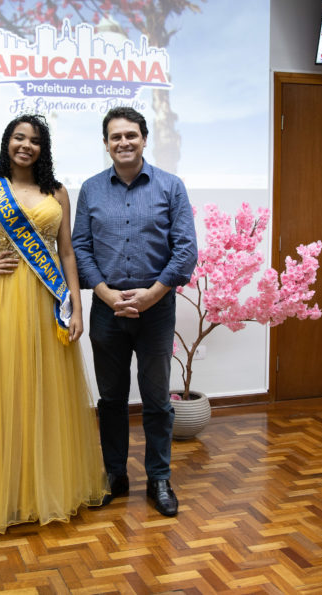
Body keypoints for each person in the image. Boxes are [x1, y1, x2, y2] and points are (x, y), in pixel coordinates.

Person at [0, 114, 108, 533]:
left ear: (43, 148)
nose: (26, 145)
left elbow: (66, 253)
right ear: (7, 142)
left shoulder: (58, 192)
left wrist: (78, 308)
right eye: (19, 137)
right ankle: (7, 490)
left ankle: (47, 487)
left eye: (34, 140)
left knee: (49, 391)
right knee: (7, 388)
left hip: (49, 301)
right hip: (6, 300)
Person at [72, 106, 198, 517]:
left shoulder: (170, 187)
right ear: (106, 144)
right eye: (115, 137)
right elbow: (81, 249)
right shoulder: (91, 190)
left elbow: (185, 250)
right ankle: (115, 476)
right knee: (110, 400)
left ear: (144, 138)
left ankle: (159, 479)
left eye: (131, 135)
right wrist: (107, 295)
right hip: (107, 310)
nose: (123, 142)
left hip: (156, 310)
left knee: (158, 399)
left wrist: (153, 294)